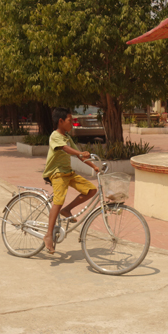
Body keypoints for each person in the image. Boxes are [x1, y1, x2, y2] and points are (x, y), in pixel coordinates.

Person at [42, 107, 99, 254]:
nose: (72, 123)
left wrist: (94, 166)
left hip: (68, 173)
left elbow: (79, 156)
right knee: (59, 199)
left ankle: (67, 210)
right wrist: (80, 152)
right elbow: (66, 149)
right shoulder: (55, 136)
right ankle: (48, 234)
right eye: (70, 120)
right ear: (60, 121)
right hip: (57, 173)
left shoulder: (67, 137)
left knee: (91, 190)